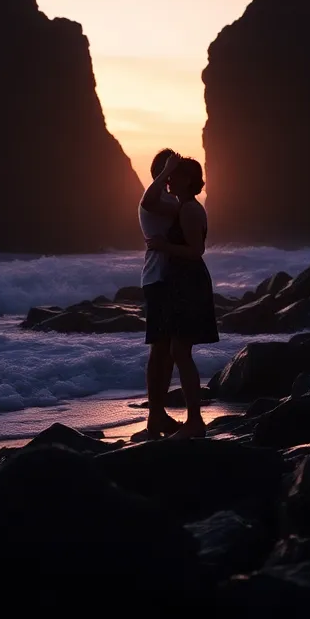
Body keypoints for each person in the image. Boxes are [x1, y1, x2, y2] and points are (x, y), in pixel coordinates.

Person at [142, 155, 219, 440]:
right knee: (178, 351)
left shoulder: (187, 209)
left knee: (180, 352)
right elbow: (150, 203)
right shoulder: (182, 207)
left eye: (174, 176)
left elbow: (196, 251)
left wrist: (163, 245)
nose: (169, 180)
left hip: (189, 283)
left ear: (188, 180)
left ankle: (195, 422)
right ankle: (192, 421)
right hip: (183, 283)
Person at [139, 148, 182, 437]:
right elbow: (149, 199)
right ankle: (155, 415)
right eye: (169, 170)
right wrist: (167, 171)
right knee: (160, 348)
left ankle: (159, 412)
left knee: (169, 351)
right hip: (158, 280)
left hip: (174, 281)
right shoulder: (153, 200)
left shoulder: (172, 200)